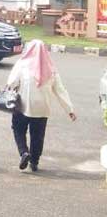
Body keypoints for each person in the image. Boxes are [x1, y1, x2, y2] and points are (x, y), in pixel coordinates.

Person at [6, 39, 76, 172]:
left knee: (18, 128)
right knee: (37, 135)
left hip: (24, 106)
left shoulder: (22, 64)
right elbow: (60, 91)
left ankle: (24, 152)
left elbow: (12, 82)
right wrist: (70, 110)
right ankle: (34, 162)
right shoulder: (51, 69)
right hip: (43, 108)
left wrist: (12, 87)